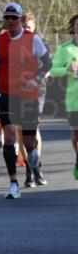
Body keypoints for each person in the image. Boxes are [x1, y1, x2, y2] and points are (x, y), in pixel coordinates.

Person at [0, 2, 52, 198]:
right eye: (7, 17)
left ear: (20, 19)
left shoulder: (33, 39)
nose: (10, 20)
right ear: (4, 20)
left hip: (28, 94)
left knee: (29, 142)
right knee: (10, 136)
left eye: (14, 17)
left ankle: (34, 160)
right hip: (6, 92)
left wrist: (36, 78)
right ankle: (13, 183)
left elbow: (48, 63)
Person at [48, 13, 78, 180]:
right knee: (76, 134)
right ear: (73, 28)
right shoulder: (65, 49)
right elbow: (53, 70)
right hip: (74, 99)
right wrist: (67, 69)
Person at [21, 12, 46, 186]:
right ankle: (29, 170)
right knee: (20, 132)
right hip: (17, 90)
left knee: (33, 128)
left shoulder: (40, 43)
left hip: (37, 90)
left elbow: (48, 66)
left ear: (34, 27)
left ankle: (36, 168)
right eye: (23, 27)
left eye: (29, 27)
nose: (26, 30)